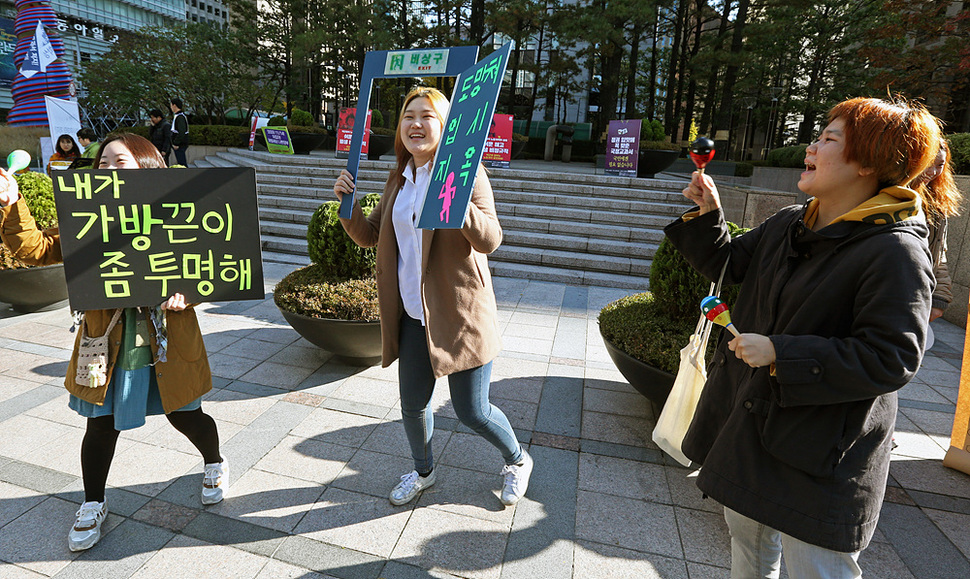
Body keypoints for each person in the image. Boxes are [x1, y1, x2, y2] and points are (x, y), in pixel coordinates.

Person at [664, 97, 939, 577]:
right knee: (748, 551)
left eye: (829, 139)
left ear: (869, 164)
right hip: (755, 427)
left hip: (823, 454)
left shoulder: (896, 251)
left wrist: (780, 352)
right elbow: (730, 265)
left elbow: (892, 357)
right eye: (817, 136)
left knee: (817, 568)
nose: (810, 147)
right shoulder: (792, 220)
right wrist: (709, 215)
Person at [0, 133, 227, 552]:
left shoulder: (177, 211)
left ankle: (214, 462)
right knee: (100, 425)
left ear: (147, 166)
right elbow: (36, 250)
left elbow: (213, 263)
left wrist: (189, 293)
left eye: (120, 162)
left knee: (186, 415)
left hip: (166, 339)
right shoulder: (88, 215)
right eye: (103, 163)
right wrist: (13, 203)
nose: (109, 170)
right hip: (107, 341)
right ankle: (92, 502)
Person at [332, 86, 534, 507]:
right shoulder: (399, 178)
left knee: (472, 411)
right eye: (408, 116)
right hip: (410, 314)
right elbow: (371, 236)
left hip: (459, 314)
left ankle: (517, 460)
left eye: (427, 116)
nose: (416, 124)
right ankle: (423, 471)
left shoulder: (468, 173)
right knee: (412, 405)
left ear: (446, 127)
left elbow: (492, 239)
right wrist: (347, 205)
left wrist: (459, 205)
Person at [912, 139, 962, 322]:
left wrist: (940, 296)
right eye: (927, 164)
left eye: (939, 165)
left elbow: (939, 254)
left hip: (918, 295)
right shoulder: (889, 197)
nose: (932, 172)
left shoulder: (937, 204)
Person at [169, 97, 190, 165]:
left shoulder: (180, 117)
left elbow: (181, 132)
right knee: (180, 161)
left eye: (171, 105)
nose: (171, 107)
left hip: (180, 144)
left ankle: (185, 174)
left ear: (174, 105)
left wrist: (176, 143)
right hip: (179, 143)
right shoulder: (178, 116)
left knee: (182, 163)